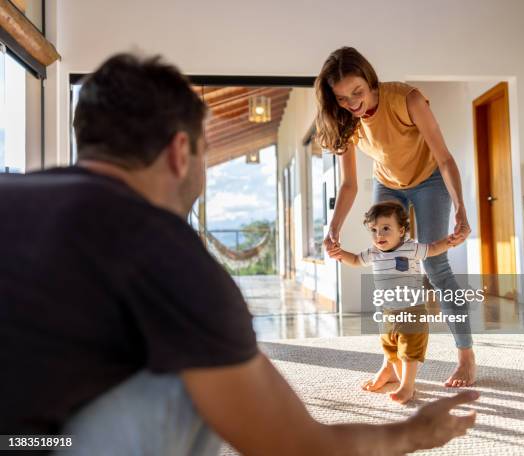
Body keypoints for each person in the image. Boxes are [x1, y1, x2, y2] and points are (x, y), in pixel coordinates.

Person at [0, 53, 478, 455]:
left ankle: (463, 352)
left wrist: (456, 206)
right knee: (194, 391)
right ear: (180, 150)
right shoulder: (170, 256)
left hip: (18, 436)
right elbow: (297, 445)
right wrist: (414, 433)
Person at [315, 46, 476, 388]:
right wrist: (333, 228)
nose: (352, 103)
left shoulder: (407, 99)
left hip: (430, 180)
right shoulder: (346, 121)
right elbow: (348, 183)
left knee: (435, 266)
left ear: (371, 81)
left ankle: (465, 356)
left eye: (357, 92)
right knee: (386, 270)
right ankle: (391, 360)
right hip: (388, 183)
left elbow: (444, 158)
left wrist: (460, 206)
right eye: (342, 98)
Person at [330, 201, 464, 404]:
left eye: (385, 229)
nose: (379, 235)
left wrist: (451, 241)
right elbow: (357, 260)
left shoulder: (411, 248)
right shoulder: (373, 252)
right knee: (391, 347)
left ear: (401, 231)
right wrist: (340, 254)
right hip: (387, 311)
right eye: (374, 230)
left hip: (412, 310)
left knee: (409, 351)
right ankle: (394, 376)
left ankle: (407, 387)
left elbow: (435, 248)